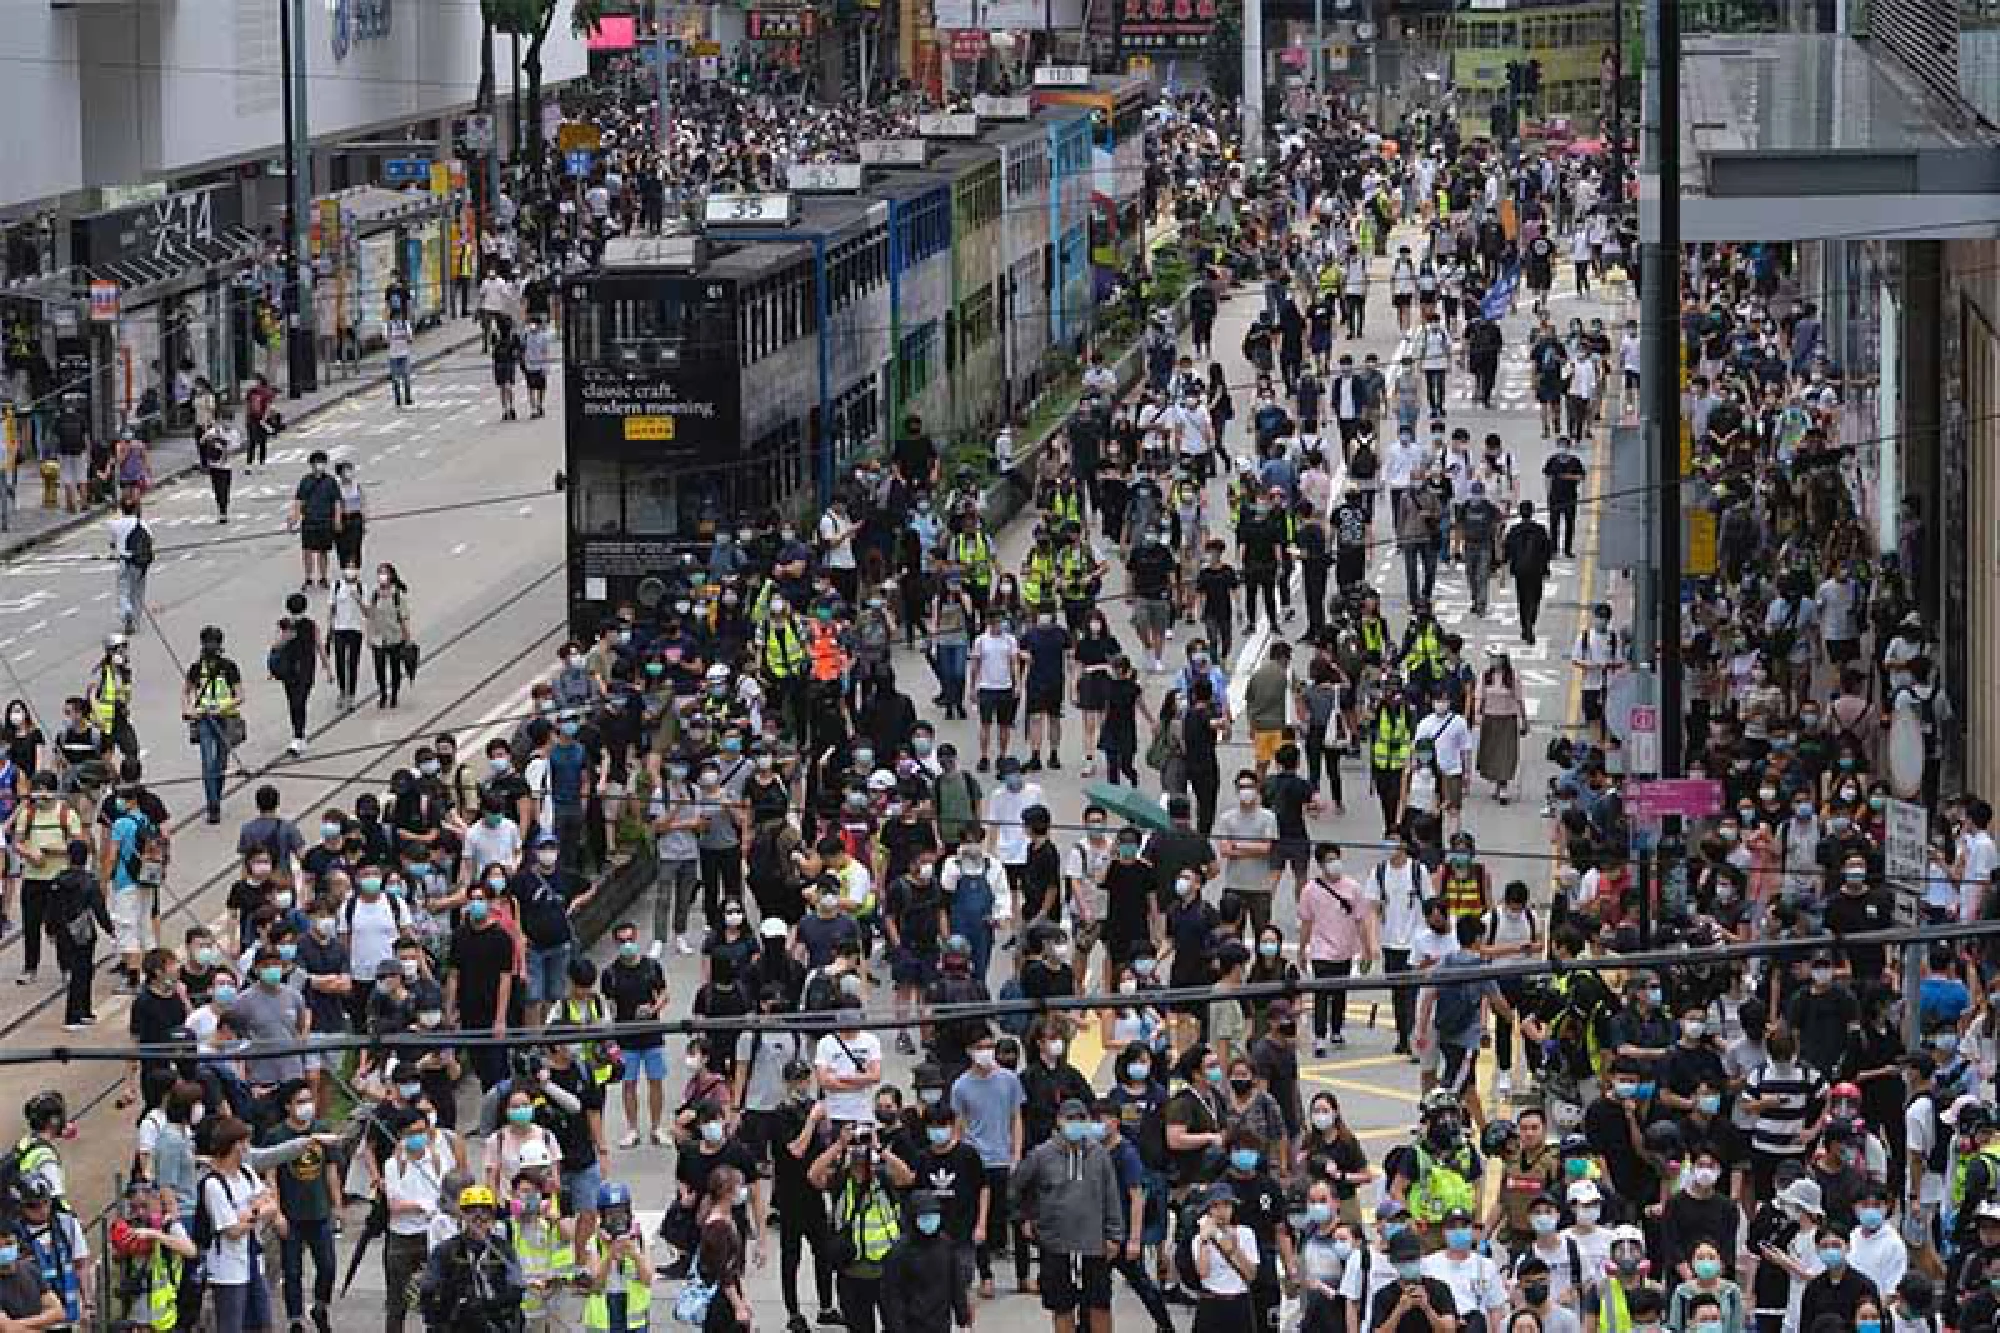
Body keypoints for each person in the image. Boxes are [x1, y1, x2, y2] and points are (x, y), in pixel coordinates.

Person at [1010, 1098, 1125, 1333]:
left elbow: (1111, 1195)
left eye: (1081, 1119)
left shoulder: (1100, 1155)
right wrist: (1024, 1218)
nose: (1075, 1124)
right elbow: (1015, 1188)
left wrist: (1115, 1235)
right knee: (1062, 1306)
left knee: (1100, 1305)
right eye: (1070, 1119)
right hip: (1056, 1243)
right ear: (1059, 1121)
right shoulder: (1041, 1155)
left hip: (1095, 1244)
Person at [418, 1186, 525, 1333]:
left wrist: (489, 1305)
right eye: (471, 1212)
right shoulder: (445, 1251)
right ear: (461, 1216)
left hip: (495, 1322)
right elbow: (428, 1290)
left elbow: (517, 1288)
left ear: (492, 1217)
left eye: (484, 1212)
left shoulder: (504, 1250)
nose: (479, 1219)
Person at [879, 1190, 971, 1333]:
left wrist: (963, 1319)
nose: (930, 1221)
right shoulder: (899, 1252)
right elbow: (892, 1295)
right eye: (924, 1216)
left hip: (941, 1324)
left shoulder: (946, 1246)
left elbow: (956, 1284)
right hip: (911, 1325)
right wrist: (897, 1327)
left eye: (934, 1215)